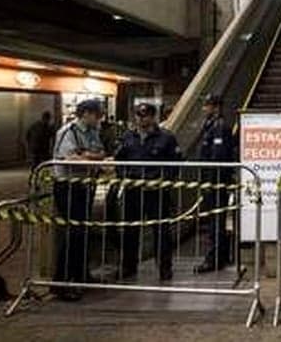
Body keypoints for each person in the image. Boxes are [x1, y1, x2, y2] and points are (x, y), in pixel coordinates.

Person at [115, 103, 182, 282]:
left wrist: (165, 180)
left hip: (156, 192)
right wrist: (123, 177)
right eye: (138, 115)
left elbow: (176, 162)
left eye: (144, 115)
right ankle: (129, 266)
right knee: (130, 230)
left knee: (161, 231)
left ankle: (165, 268)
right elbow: (119, 160)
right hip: (133, 190)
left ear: (153, 117)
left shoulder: (166, 137)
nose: (141, 118)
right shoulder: (128, 137)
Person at [51, 99, 106, 301]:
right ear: (86, 113)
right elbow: (71, 158)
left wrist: (87, 155)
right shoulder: (69, 131)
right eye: (97, 114)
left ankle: (82, 275)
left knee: (83, 232)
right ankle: (61, 283)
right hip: (69, 187)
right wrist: (88, 157)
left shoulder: (92, 131)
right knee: (73, 233)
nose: (100, 118)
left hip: (85, 186)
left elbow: (101, 153)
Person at [194, 94, 237, 274]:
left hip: (217, 181)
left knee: (215, 222)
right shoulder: (210, 126)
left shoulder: (220, 127)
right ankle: (221, 256)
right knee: (215, 220)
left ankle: (214, 259)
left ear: (216, 107)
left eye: (208, 106)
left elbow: (217, 156)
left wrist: (210, 181)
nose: (205, 109)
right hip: (213, 180)